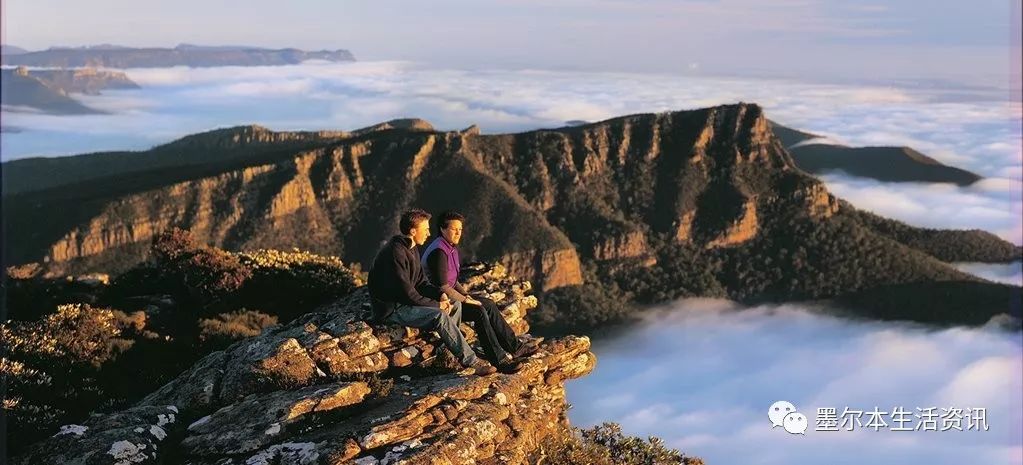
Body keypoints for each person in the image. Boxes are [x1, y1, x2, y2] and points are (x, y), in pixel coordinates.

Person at [368, 208, 496, 376]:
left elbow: (421, 282)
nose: (429, 234)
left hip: (405, 301)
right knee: (439, 315)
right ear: (413, 231)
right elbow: (407, 294)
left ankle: (449, 353)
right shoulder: (395, 253)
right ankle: (472, 362)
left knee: (454, 303)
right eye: (425, 229)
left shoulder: (411, 247)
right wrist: (437, 305)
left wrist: (440, 295)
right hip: (393, 308)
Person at [422, 211, 541, 372]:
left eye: (460, 229)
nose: (458, 233)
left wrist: (466, 295)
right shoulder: (439, 252)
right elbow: (443, 287)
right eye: (454, 229)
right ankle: (499, 361)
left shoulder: (450, 248)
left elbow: (453, 281)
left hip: (454, 298)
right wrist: (466, 301)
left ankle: (516, 347)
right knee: (478, 311)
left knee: (489, 304)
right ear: (442, 229)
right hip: (440, 303)